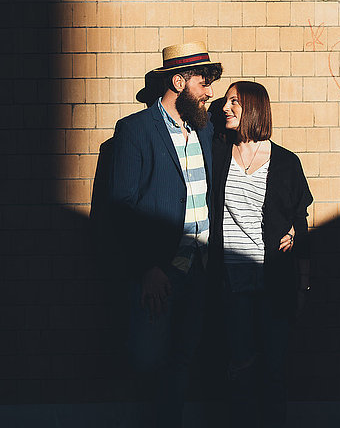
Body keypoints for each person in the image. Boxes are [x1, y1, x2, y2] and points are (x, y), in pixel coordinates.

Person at [109, 41, 222, 427]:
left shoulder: (205, 132)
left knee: (183, 361)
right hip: (160, 273)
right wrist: (147, 268)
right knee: (149, 359)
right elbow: (121, 207)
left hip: (201, 269)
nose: (210, 91)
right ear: (178, 81)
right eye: (203, 82)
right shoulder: (135, 130)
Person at [210, 81, 313, 428]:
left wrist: (302, 285)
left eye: (234, 103)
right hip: (231, 281)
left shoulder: (285, 162)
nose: (226, 108)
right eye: (225, 102)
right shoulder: (218, 152)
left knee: (273, 369)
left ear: (254, 108)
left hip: (274, 282)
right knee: (239, 368)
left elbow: (300, 219)